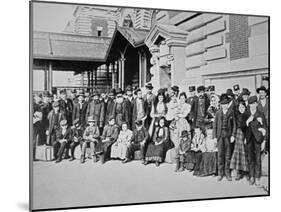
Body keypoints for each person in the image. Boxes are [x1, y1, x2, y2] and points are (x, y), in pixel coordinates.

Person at [213, 94, 236, 181]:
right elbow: (214, 125)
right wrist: (215, 136)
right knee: (220, 155)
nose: (224, 106)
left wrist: (233, 135)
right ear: (220, 105)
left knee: (228, 155)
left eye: (226, 104)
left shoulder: (231, 112)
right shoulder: (218, 113)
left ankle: (227, 173)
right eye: (223, 104)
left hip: (228, 136)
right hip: (219, 136)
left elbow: (234, 125)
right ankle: (220, 173)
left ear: (228, 104)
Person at [245, 96, 267, 185]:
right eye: (251, 104)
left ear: (257, 104)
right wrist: (247, 122)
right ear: (249, 105)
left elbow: (265, 128)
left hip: (258, 139)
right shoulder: (246, 114)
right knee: (250, 159)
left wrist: (264, 141)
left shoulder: (261, 114)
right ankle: (252, 177)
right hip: (249, 139)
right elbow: (243, 127)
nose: (252, 106)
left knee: (258, 159)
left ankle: (257, 177)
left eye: (254, 104)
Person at [230, 101, 249, 180]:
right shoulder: (236, 115)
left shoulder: (248, 115)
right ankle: (239, 170)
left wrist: (247, 137)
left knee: (245, 152)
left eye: (243, 107)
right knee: (238, 152)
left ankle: (246, 171)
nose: (241, 109)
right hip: (238, 133)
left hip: (246, 134)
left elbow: (249, 128)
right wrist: (233, 135)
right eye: (240, 107)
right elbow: (235, 126)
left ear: (245, 108)